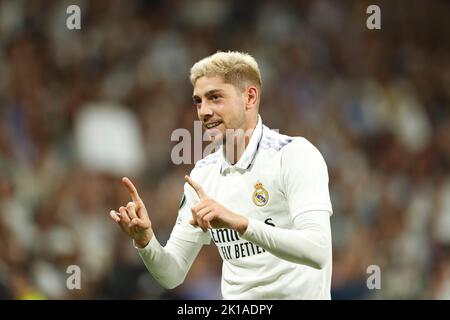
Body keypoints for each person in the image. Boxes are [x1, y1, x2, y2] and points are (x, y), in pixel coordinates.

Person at [109, 51, 333, 299]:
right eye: (198, 101)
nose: (203, 111)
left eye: (215, 98)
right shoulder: (203, 176)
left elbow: (318, 250)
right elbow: (171, 274)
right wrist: (146, 242)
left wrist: (240, 223)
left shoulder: (293, 156)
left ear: (249, 97)